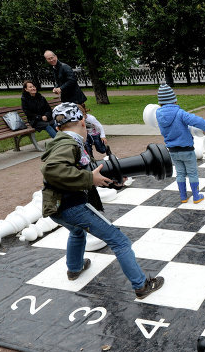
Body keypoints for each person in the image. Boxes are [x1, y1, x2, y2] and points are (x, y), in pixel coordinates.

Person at [40, 102, 164, 299]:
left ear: (57, 127)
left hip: (57, 207)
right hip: (72, 206)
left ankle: (74, 269)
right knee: (120, 242)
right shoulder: (69, 143)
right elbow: (53, 170)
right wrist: (90, 178)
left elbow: (82, 173)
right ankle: (141, 285)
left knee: (77, 231)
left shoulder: (64, 141)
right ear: (82, 121)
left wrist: (111, 181)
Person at [155, 83, 205, 203]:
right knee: (192, 172)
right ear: (174, 100)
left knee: (180, 173)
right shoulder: (180, 113)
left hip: (173, 150)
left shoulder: (158, 115)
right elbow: (196, 120)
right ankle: (196, 196)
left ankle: (183, 197)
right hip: (186, 149)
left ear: (160, 102)